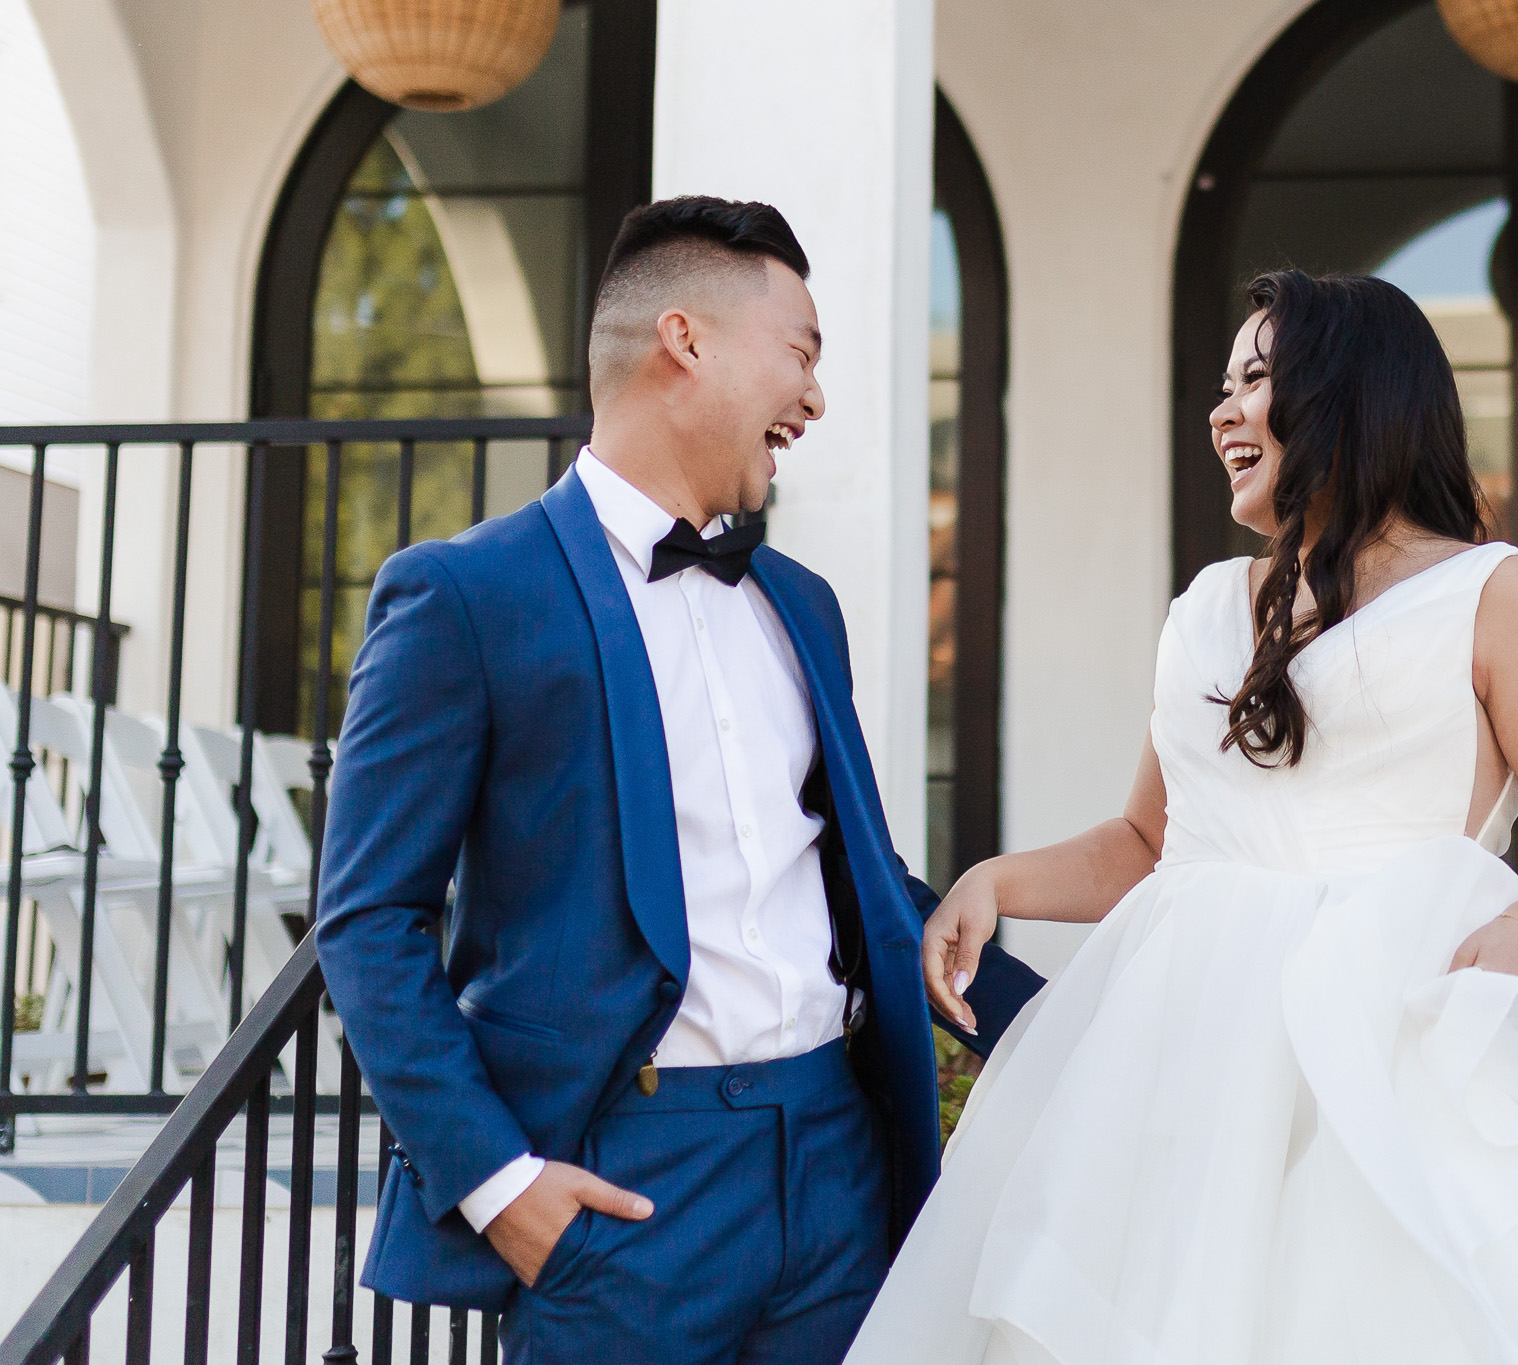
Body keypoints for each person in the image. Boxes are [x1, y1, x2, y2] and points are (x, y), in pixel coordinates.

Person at [847, 270, 1518, 1365]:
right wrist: (995, 882)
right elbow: (1145, 844)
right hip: (1179, 1061)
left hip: (1388, 1052)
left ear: (1349, 394)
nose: (1222, 411)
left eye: (1254, 380)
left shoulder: (1495, 595)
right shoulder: (1203, 611)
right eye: (1220, 387)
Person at [315, 195, 1043, 1365]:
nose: (812, 398)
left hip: (836, 1164)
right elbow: (368, 920)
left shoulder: (803, 606)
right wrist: (502, 1189)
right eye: (799, 353)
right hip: (630, 1189)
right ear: (685, 340)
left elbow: (852, 882)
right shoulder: (464, 595)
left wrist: (1059, 1024)